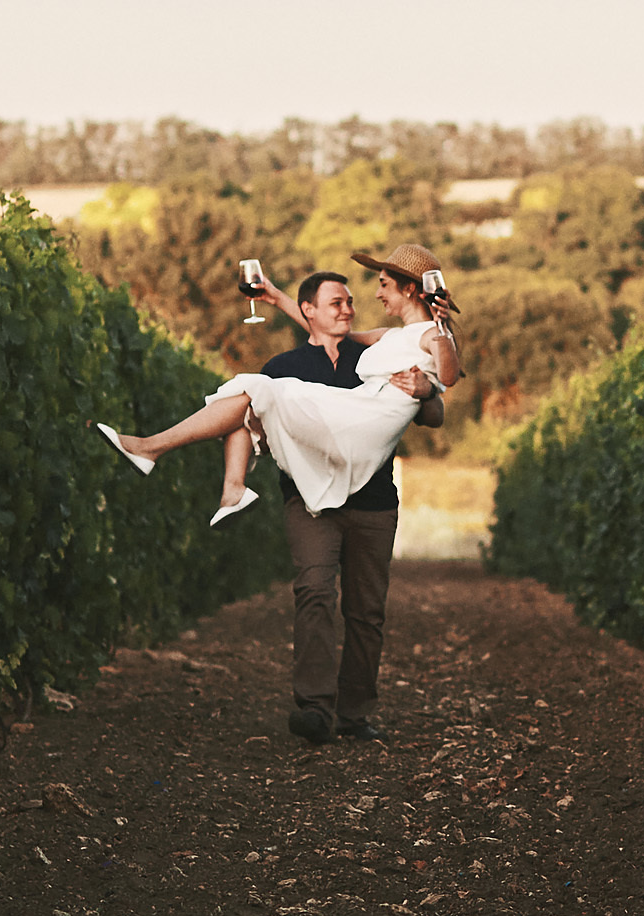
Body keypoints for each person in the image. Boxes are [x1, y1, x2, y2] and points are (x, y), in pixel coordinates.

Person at [94, 245, 462, 745]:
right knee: (258, 390)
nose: (366, 297)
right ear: (314, 312)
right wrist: (276, 297)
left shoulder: (426, 336)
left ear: (410, 290)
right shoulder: (373, 341)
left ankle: (353, 714)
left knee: (366, 611)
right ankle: (315, 709)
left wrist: (426, 387)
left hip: (364, 459)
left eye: (379, 286)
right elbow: (326, 325)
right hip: (319, 481)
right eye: (342, 300)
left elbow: (446, 383)